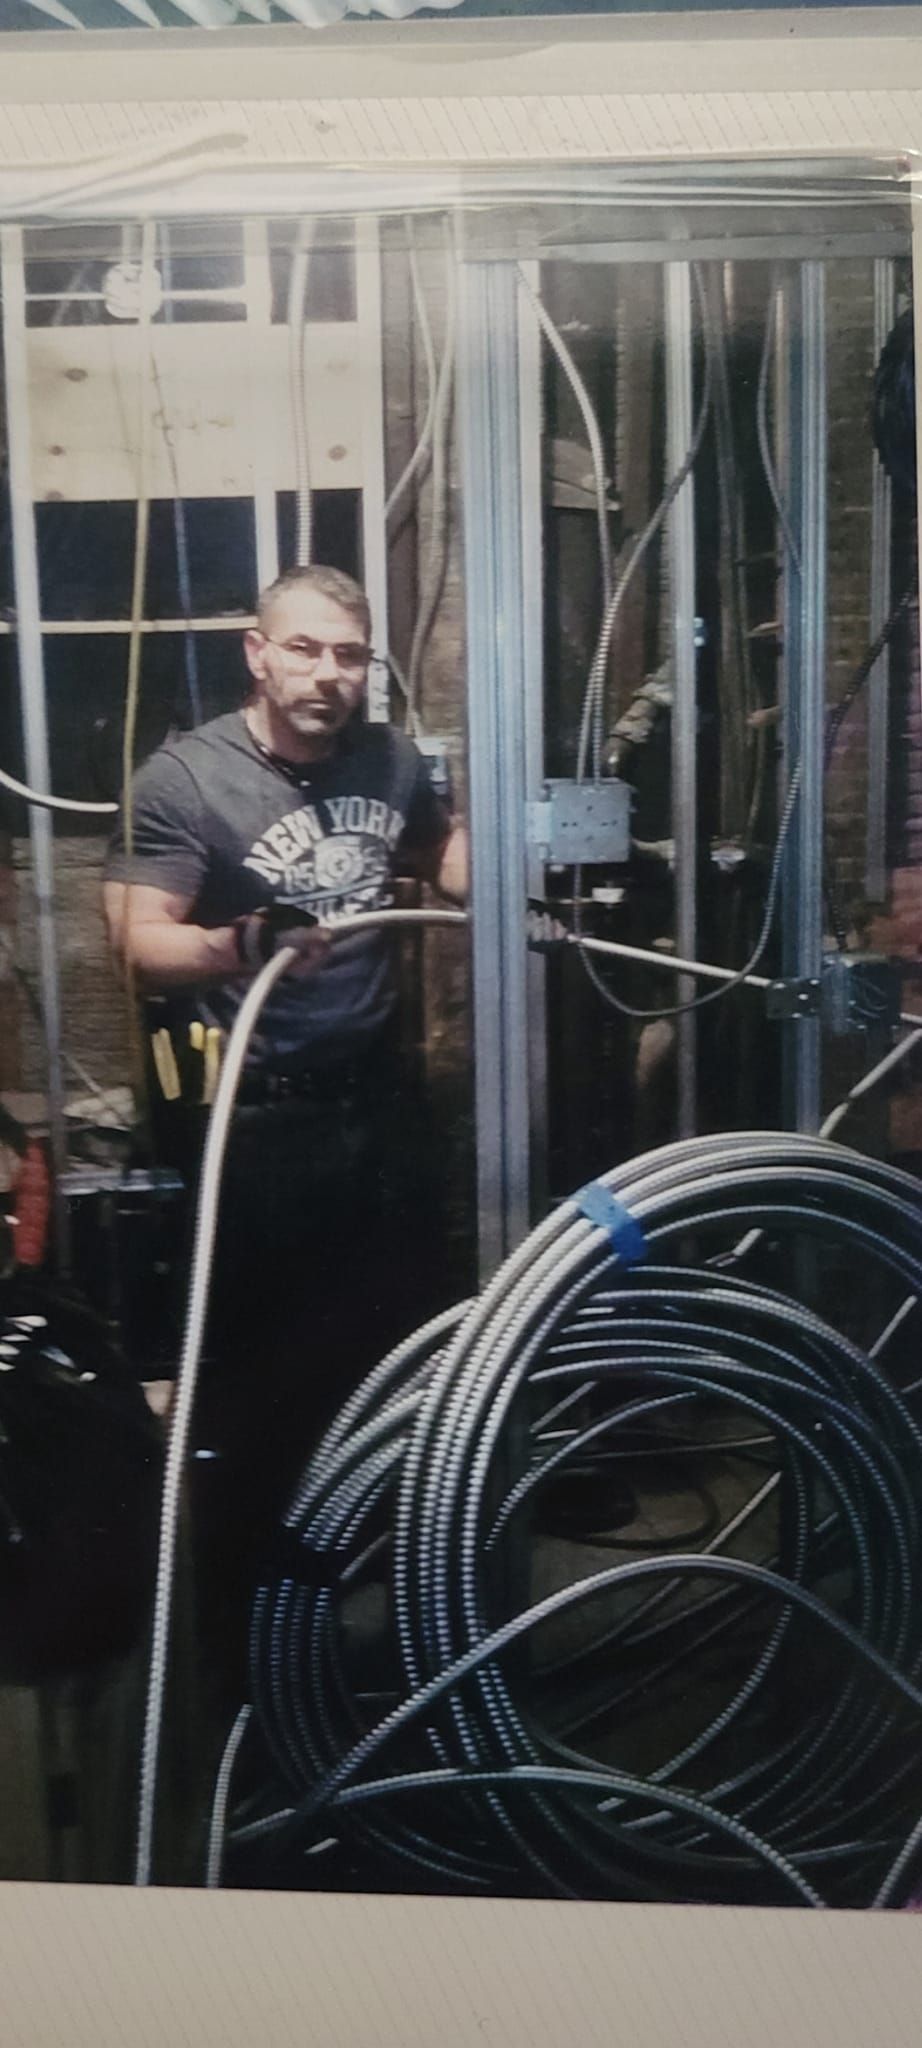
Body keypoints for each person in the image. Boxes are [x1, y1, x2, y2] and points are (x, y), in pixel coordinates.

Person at [104, 562, 467, 1688]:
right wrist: (234, 944)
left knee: (408, 1371)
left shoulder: (390, 760)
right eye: (304, 649)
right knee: (257, 1399)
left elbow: (433, 854)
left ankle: (401, 1631)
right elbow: (138, 936)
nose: (328, 674)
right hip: (256, 1131)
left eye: (348, 655)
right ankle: (236, 1660)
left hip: (382, 1113)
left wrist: (511, 856)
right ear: (257, 653)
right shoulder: (187, 777)